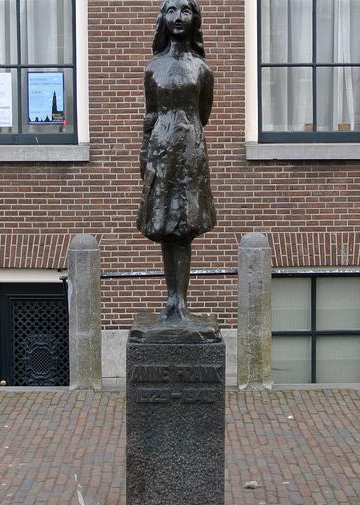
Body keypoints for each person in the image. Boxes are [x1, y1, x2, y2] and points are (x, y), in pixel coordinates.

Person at [138, 0, 216, 322]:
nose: (178, 17)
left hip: (190, 152)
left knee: (184, 226)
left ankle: (181, 302)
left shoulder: (202, 70)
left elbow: (204, 114)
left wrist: (185, 136)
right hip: (160, 150)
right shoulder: (153, 68)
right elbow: (150, 114)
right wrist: (144, 156)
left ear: (194, 19)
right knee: (165, 224)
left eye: (185, 11)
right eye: (171, 11)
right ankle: (170, 299)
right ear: (163, 19)